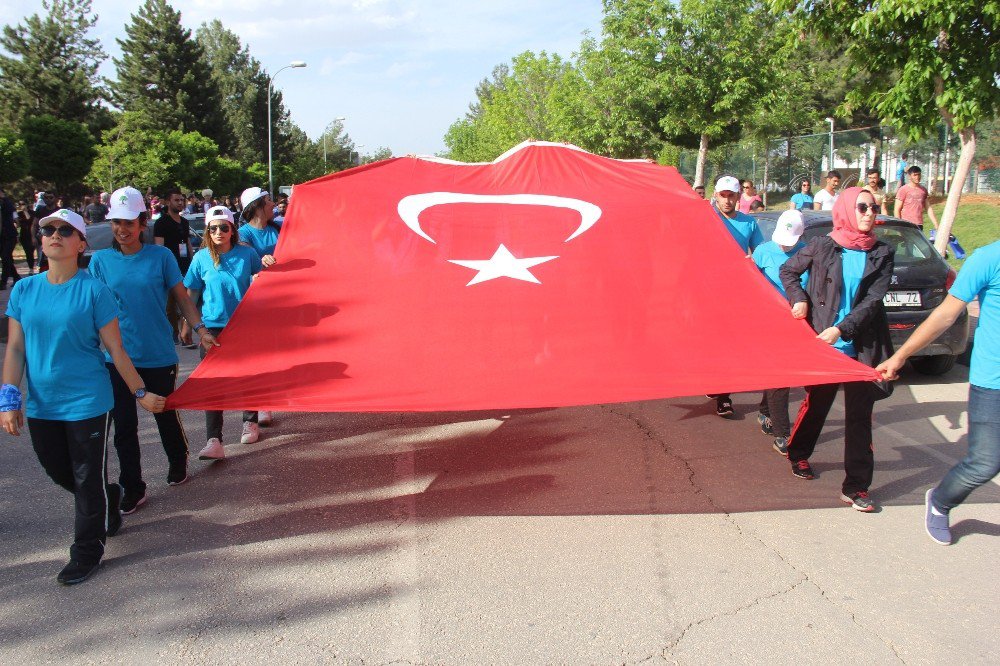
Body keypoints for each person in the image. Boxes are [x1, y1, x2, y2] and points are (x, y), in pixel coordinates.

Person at [1, 208, 166, 585]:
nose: (54, 235)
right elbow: (14, 349)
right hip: (44, 404)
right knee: (60, 471)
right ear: (40, 241)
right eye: (47, 230)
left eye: (64, 230)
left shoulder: (94, 290)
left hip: (88, 402)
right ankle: (109, 495)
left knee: (85, 475)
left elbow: (116, 350)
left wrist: (139, 391)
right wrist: (9, 399)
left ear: (81, 243)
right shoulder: (25, 289)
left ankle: (87, 551)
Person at [89, 187, 218, 513]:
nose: (122, 229)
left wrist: (200, 329)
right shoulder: (101, 262)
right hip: (116, 358)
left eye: (130, 222)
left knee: (163, 412)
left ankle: (177, 459)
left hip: (157, 352)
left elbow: (182, 297)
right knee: (124, 426)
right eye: (117, 222)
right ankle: (133, 487)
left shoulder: (160, 257)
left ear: (143, 222)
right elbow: (89, 307)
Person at [876, 240, 999, 544]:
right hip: (993, 381)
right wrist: (900, 355)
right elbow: (945, 315)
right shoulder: (988, 258)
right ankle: (941, 501)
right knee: (985, 462)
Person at [780, 187, 894, 512]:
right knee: (817, 403)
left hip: (860, 344)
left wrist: (842, 330)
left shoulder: (883, 252)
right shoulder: (822, 245)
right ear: (846, 209)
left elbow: (873, 301)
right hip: (824, 343)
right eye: (861, 207)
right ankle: (799, 453)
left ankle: (856, 486)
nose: (869, 212)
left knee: (860, 417)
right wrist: (799, 298)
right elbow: (788, 271)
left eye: (873, 207)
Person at [185, 206, 264, 456]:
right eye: (213, 228)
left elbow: (264, 277)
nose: (219, 232)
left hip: (244, 325)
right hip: (212, 328)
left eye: (224, 227)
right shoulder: (201, 258)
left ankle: (250, 421)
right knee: (212, 382)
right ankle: (214, 440)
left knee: (247, 377)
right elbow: (191, 293)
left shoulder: (247, 254)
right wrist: (188, 324)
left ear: (232, 230)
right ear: (208, 231)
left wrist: (267, 263)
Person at [708, 175, 765, 417]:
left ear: (738, 197)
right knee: (709, 341)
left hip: (735, 292)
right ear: (716, 195)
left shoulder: (748, 223)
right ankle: (713, 379)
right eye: (723, 195)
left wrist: (753, 262)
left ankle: (723, 395)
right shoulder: (706, 218)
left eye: (732, 195)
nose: (728, 200)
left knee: (728, 343)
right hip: (707, 289)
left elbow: (761, 252)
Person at [751, 210, 806, 456]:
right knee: (780, 376)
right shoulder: (763, 251)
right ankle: (782, 433)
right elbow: (749, 284)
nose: (785, 244)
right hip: (769, 323)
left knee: (780, 376)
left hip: (799, 322)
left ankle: (765, 410)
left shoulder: (808, 252)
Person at [153, 188, 193, 346]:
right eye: (176, 200)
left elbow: (188, 243)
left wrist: (192, 260)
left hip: (185, 267)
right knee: (170, 305)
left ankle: (186, 333)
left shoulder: (184, 221)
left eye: (182, 200)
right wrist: (161, 269)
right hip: (168, 269)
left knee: (187, 302)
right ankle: (172, 334)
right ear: (168, 202)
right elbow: (159, 247)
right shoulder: (161, 222)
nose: (180, 203)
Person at [894, 166, 939, 231]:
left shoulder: (923, 190)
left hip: (919, 224)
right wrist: (899, 225)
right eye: (914, 175)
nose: (917, 177)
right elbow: (897, 209)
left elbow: (928, 208)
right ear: (909, 176)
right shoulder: (903, 190)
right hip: (906, 223)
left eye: (919, 174)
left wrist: (936, 224)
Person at [0, 189, 20, 289]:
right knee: (6, 258)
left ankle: (3, 282)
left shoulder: (7, 203)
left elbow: (15, 217)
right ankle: (16, 277)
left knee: (5, 257)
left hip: (9, 235)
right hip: (1, 236)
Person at [15, 200, 36, 275]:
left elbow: (30, 220)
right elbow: (18, 224)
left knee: (31, 251)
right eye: (20, 204)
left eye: (23, 204)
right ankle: (31, 268)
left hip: (32, 235)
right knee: (28, 252)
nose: (21, 206)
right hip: (24, 236)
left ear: (26, 204)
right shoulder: (19, 214)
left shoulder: (32, 212)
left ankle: (33, 267)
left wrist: (25, 211)